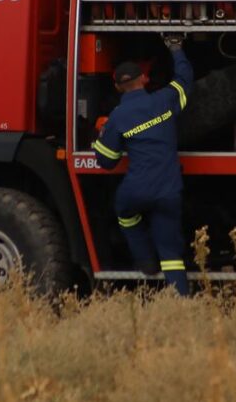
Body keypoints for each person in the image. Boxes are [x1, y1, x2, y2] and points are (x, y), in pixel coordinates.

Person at [92, 34, 192, 295]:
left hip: (135, 191)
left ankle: (145, 261)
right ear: (145, 79)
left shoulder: (117, 117)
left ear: (116, 87)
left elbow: (106, 161)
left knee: (125, 213)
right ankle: (182, 303)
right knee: (171, 253)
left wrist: (100, 135)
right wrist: (176, 50)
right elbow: (184, 81)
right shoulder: (165, 100)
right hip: (169, 191)